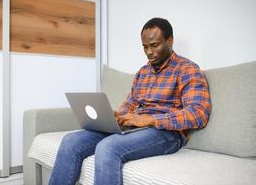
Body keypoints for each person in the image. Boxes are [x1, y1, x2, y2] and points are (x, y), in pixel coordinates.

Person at [48, 17, 211, 185]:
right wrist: (117, 116)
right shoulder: (143, 72)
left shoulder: (187, 69)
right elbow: (130, 103)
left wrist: (151, 120)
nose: (149, 52)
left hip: (166, 133)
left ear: (169, 41)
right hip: (134, 128)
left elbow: (199, 112)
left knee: (108, 147)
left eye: (154, 45)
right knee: (71, 142)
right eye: (145, 47)